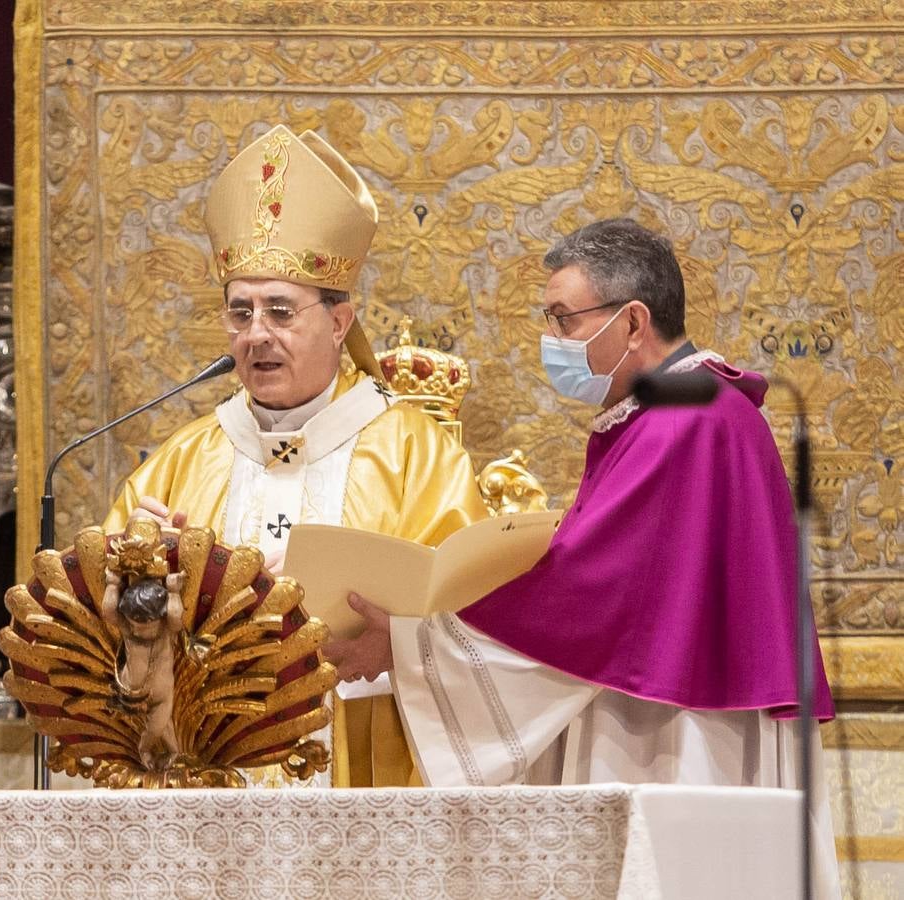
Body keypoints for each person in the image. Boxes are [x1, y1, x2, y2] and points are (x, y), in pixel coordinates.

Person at [324, 217, 840, 897]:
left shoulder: (684, 423)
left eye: (564, 319)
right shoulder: (683, 410)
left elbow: (589, 590)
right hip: (669, 708)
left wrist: (413, 644)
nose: (552, 341)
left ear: (631, 322)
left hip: (671, 736)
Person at [104, 124, 488, 786]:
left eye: (280, 312)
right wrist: (147, 589)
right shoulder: (182, 459)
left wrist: (392, 640)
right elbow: (108, 617)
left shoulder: (415, 457)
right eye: (240, 313)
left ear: (338, 323)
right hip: (209, 771)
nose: (256, 335)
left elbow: (472, 613)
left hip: (367, 763)